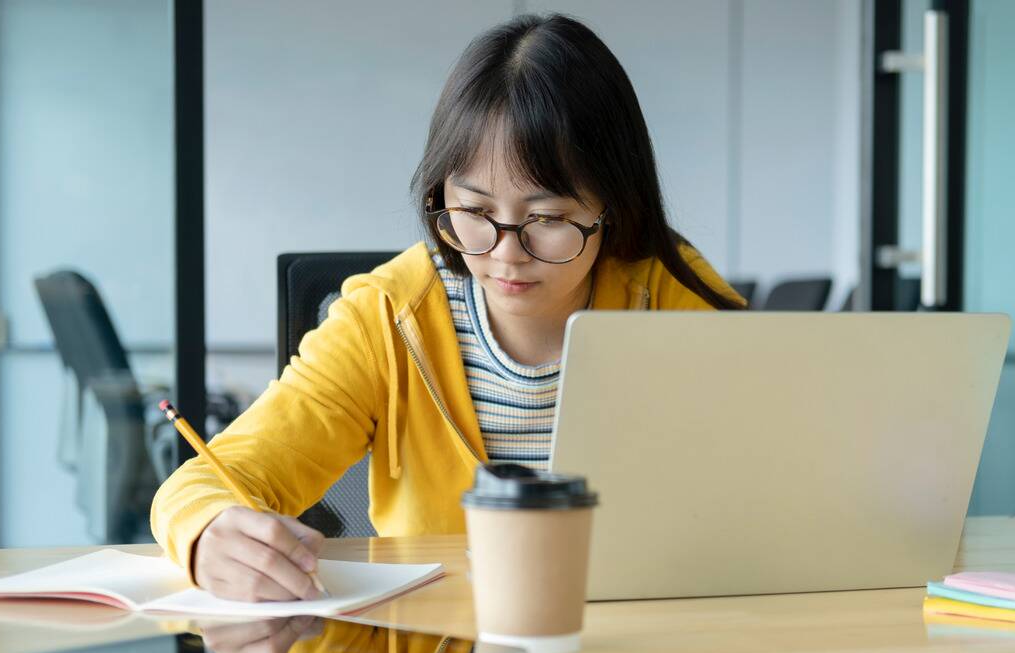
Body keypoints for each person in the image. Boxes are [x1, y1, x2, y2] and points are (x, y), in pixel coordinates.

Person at [151, 13, 744, 603]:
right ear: (439, 194)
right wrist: (209, 534)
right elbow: (212, 479)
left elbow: (778, 472)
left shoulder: (667, 295)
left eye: (549, 219)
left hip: (640, 630)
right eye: (475, 211)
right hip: (435, 641)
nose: (507, 254)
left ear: (613, 206)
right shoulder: (386, 317)